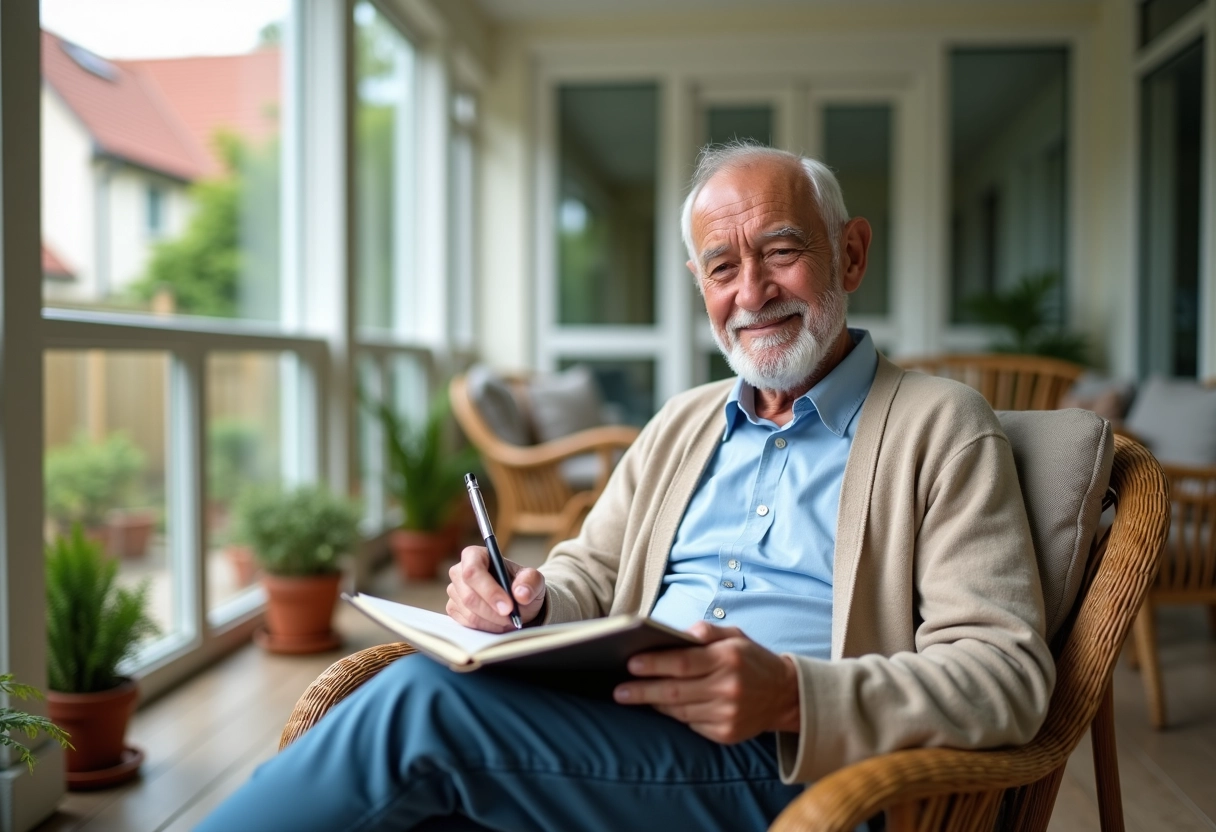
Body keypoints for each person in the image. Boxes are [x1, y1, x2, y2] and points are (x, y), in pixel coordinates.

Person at [199, 143, 1054, 832]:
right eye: (721, 267)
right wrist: (526, 602)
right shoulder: (682, 423)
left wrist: (793, 695)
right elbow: (590, 574)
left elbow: (1006, 674)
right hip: (619, 729)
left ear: (852, 253)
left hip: (792, 768)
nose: (751, 292)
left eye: (782, 253)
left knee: (419, 711)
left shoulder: (943, 425)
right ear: (700, 287)